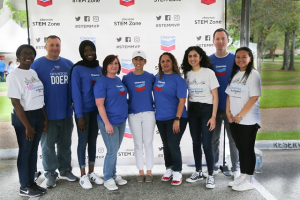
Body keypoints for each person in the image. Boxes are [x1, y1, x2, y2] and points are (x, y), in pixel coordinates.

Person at [30, 35, 77, 188]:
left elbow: (75, 88)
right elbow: (31, 91)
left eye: (57, 45)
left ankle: (65, 169)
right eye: (51, 45)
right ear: (45, 47)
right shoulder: (37, 65)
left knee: (65, 144)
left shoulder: (68, 64)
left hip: (66, 113)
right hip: (47, 115)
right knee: (48, 146)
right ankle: (50, 172)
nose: (55, 48)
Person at [7, 44, 47, 197]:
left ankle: (31, 182)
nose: (28, 55)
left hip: (37, 114)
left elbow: (39, 97)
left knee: (33, 151)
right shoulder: (13, 75)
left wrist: (44, 118)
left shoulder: (33, 72)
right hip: (24, 117)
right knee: (25, 151)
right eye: (24, 53)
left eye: (31, 53)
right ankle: (24, 185)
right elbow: (16, 103)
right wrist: (27, 126)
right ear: (18, 56)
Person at [181, 46, 219, 189]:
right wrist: (189, 113)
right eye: (190, 56)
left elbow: (215, 96)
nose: (192, 58)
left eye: (195, 56)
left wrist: (213, 116)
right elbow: (188, 97)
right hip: (193, 111)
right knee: (196, 142)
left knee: (207, 144)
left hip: (207, 110)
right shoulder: (187, 74)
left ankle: (210, 175)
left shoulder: (208, 73)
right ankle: (198, 171)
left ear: (200, 57)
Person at [226, 47, 261, 191]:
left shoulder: (254, 74)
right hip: (234, 119)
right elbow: (228, 94)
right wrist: (228, 112)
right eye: (238, 57)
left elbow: (254, 97)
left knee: (247, 149)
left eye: (244, 57)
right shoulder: (235, 74)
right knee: (240, 148)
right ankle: (243, 175)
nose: (240, 59)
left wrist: (240, 115)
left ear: (250, 58)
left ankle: (249, 179)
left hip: (248, 120)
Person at [71, 40, 103, 189]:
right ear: (81, 53)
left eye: (91, 50)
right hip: (83, 112)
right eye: (85, 51)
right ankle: (82, 175)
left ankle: (91, 172)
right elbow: (76, 94)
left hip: (96, 111)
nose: (89, 53)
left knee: (93, 141)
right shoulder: (77, 69)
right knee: (83, 142)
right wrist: (79, 116)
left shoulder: (99, 68)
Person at [209, 28, 240, 178]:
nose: (220, 42)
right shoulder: (208, 61)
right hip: (214, 110)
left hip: (231, 109)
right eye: (217, 39)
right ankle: (214, 165)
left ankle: (236, 168)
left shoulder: (235, 59)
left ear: (228, 41)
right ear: (213, 41)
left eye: (223, 38)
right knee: (214, 139)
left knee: (233, 140)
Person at [153, 52, 188, 186]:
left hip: (177, 118)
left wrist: (177, 119)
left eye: (168, 60)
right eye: (163, 61)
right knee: (166, 145)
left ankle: (178, 171)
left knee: (173, 145)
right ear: (160, 64)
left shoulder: (179, 80)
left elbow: (182, 101)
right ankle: (169, 169)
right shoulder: (157, 77)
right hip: (161, 118)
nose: (165, 63)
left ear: (173, 62)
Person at [94, 55, 128, 191]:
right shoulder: (102, 82)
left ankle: (113, 174)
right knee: (112, 151)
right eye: (110, 63)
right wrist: (107, 123)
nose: (114, 66)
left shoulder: (118, 80)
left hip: (120, 121)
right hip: (109, 122)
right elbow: (99, 104)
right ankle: (107, 177)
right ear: (105, 66)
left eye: (116, 63)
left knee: (115, 150)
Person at [122, 50, 156, 183]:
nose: (138, 62)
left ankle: (149, 171)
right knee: (137, 144)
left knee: (148, 143)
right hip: (133, 114)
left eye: (141, 59)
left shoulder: (151, 77)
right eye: (135, 59)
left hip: (149, 113)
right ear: (132, 61)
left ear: (145, 62)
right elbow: (120, 95)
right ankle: (140, 171)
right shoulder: (126, 78)